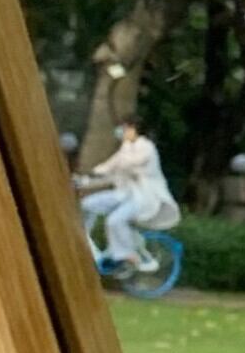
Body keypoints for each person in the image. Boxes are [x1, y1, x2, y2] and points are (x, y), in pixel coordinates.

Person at [74, 117, 180, 275]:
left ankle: (132, 257)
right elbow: (109, 172)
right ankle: (82, 236)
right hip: (124, 195)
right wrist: (84, 180)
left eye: (125, 128)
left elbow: (125, 164)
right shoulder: (126, 149)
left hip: (144, 197)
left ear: (134, 129)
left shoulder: (147, 148)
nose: (121, 132)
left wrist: (114, 161)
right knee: (88, 204)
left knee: (114, 220)